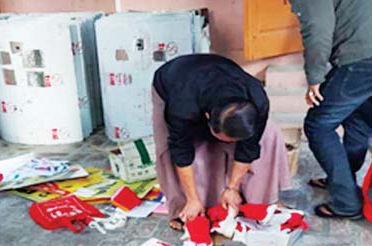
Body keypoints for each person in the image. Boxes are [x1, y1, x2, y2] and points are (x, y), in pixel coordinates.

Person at [152, 54, 291, 230]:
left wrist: (232, 188)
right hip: (175, 79)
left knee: (269, 136)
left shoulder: (257, 101)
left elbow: (248, 148)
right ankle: (187, 208)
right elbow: (181, 152)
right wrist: (192, 198)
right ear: (207, 117)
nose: (231, 143)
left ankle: (256, 201)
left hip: (219, 73)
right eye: (227, 138)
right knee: (171, 149)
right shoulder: (182, 107)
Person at [291, 0, 372, 219]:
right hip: (366, 55)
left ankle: (347, 203)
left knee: (318, 126)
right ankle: (343, 180)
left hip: (361, 60)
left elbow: (317, 29)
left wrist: (315, 77)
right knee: (359, 118)